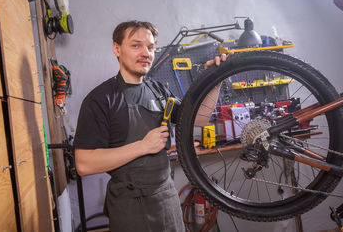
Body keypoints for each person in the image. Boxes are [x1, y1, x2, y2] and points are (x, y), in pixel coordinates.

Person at [73, 20, 228, 232]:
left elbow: (197, 121)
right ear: (116, 49)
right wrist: (143, 146)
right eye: (136, 45)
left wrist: (214, 82)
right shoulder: (100, 99)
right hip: (129, 206)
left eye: (151, 47)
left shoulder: (158, 90)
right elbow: (84, 164)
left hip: (166, 198)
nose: (146, 53)